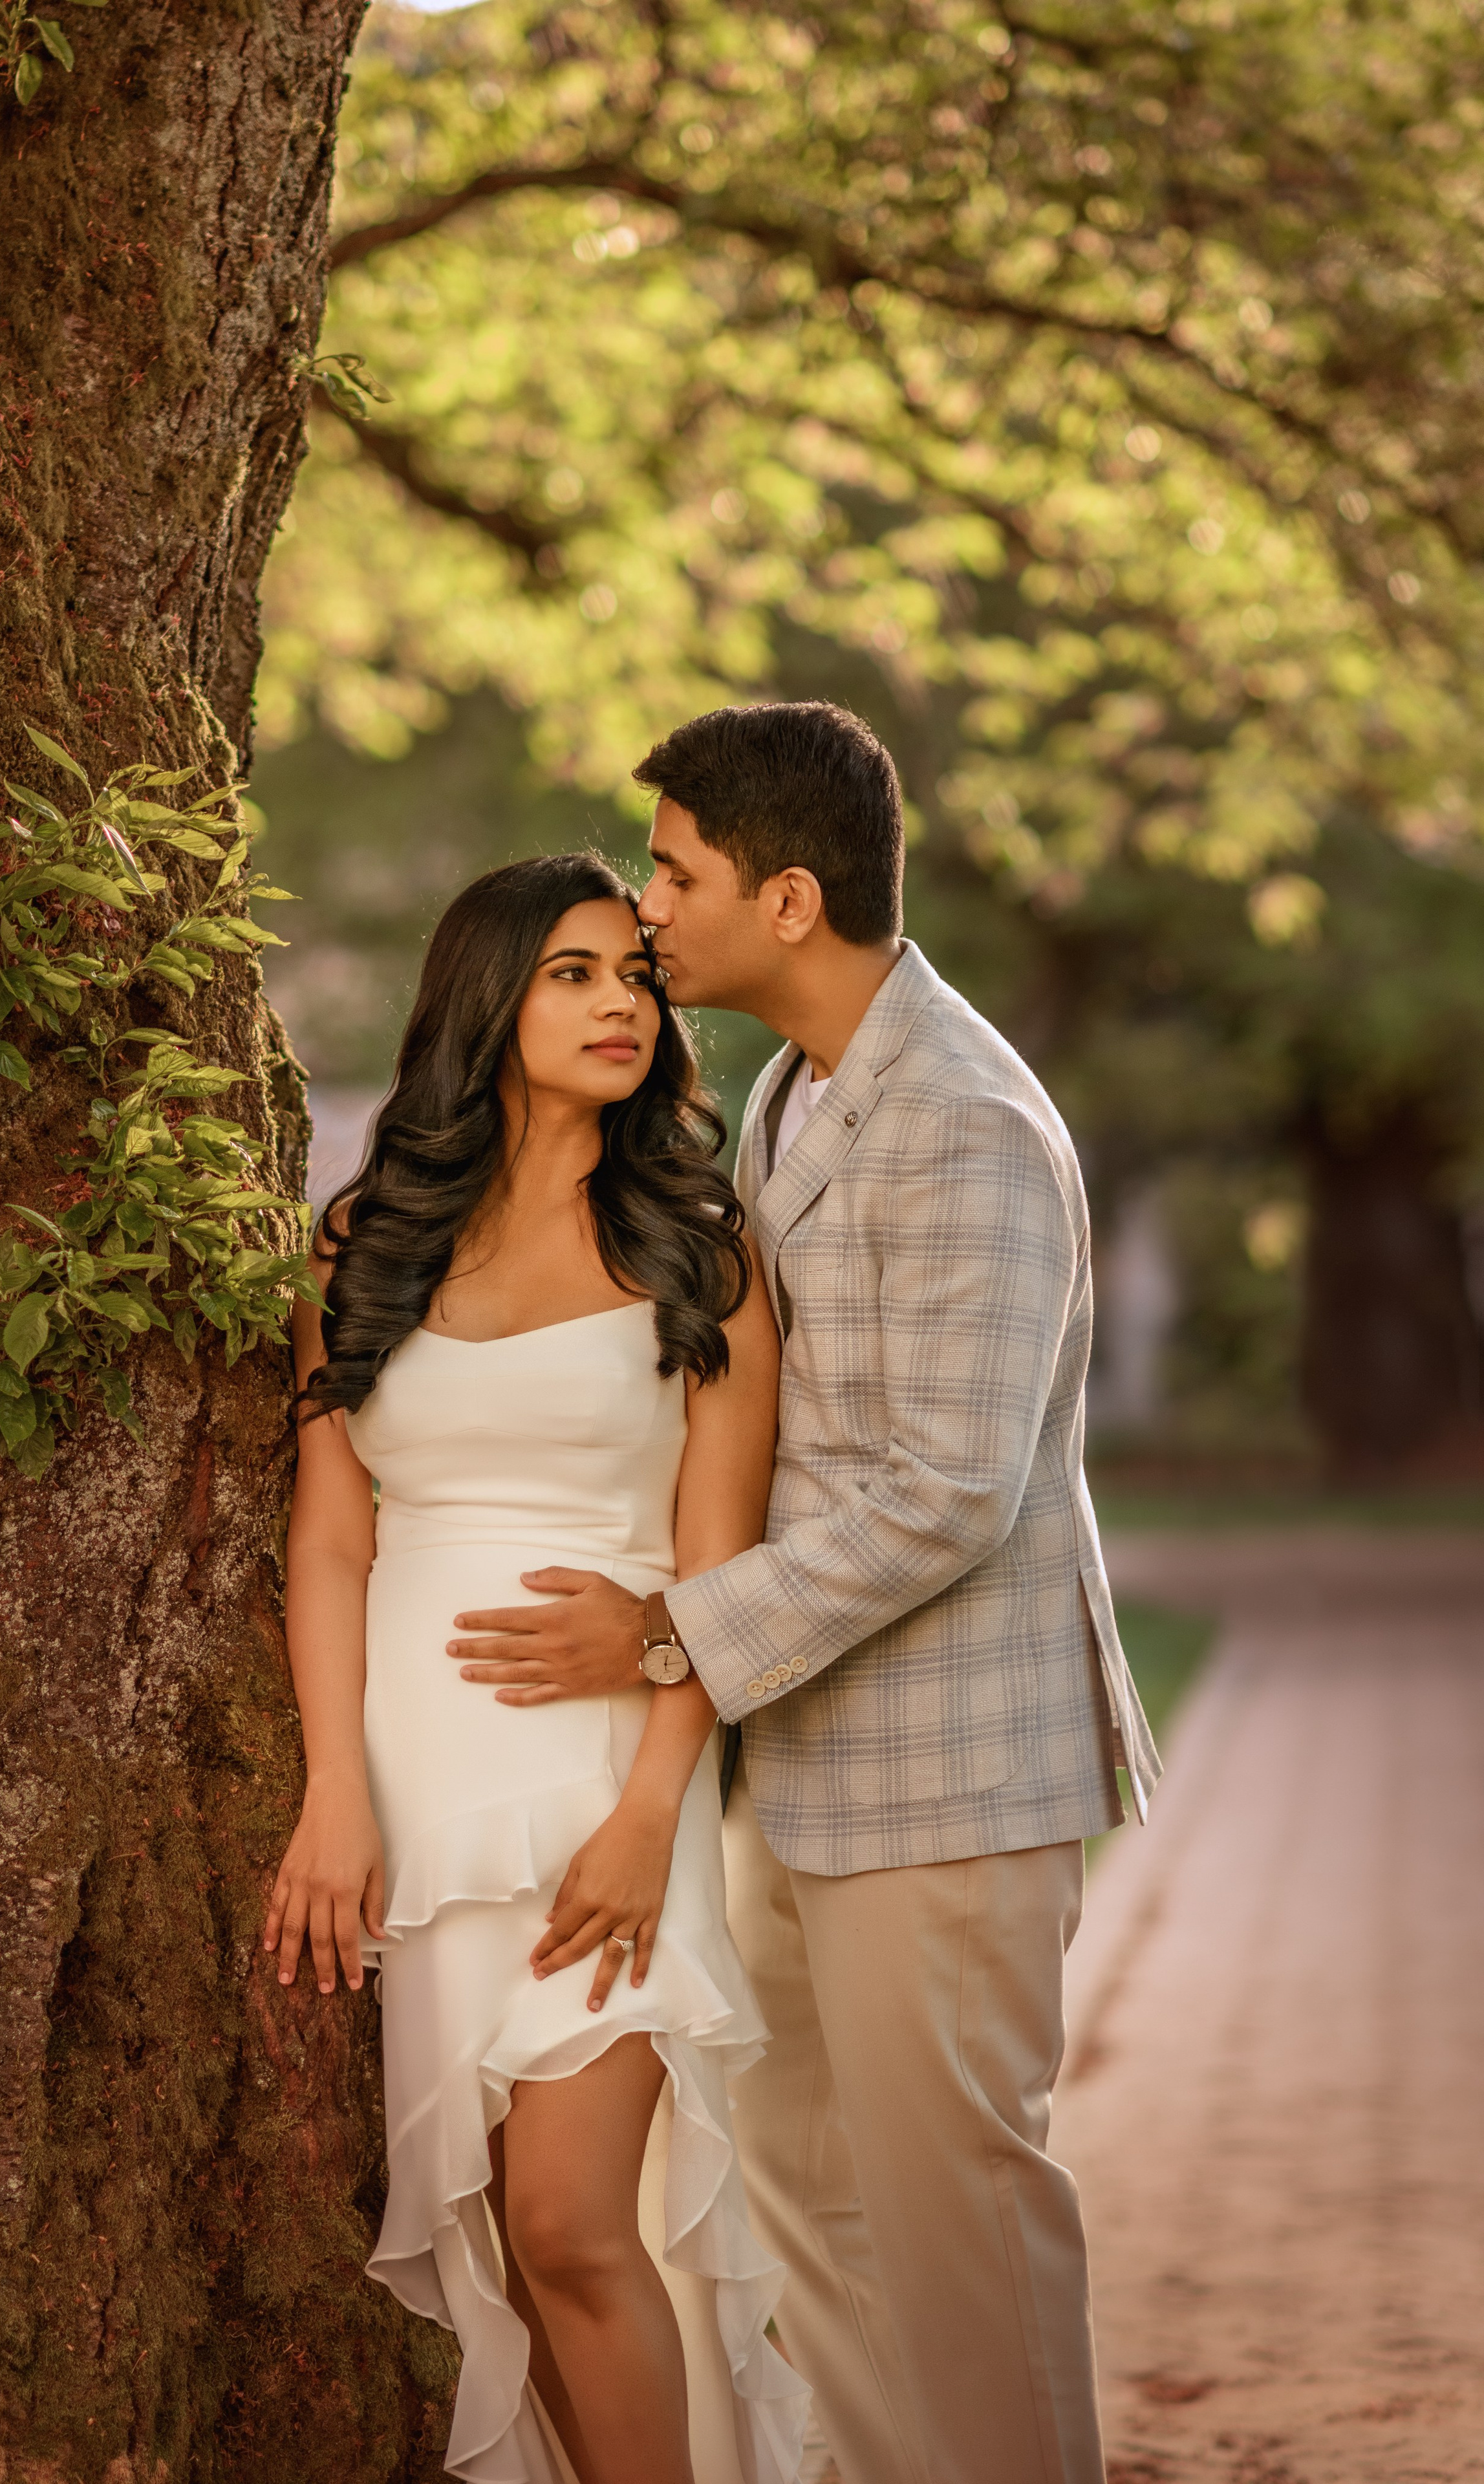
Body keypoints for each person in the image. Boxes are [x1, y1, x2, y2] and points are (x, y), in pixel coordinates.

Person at [447, 703, 1163, 2484]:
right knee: (821, 2220)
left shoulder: (968, 1121)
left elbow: (947, 1487)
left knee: (960, 2232)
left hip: (951, 1780)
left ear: (786, 898)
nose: (649, 911)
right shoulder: (799, 1084)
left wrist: (672, 1629)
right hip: (815, 1773)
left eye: (676, 876)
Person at [263, 854, 810, 2484]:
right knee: (506, 2237)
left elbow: (715, 1569)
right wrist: (333, 1794)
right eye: (574, 972)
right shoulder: (362, 1241)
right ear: (487, 999)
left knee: (576, 2224)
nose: (619, 1002)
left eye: (633, 974)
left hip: (604, 1781)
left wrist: (654, 1809)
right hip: (416, 1793)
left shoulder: (697, 1252)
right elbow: (332, 1538)